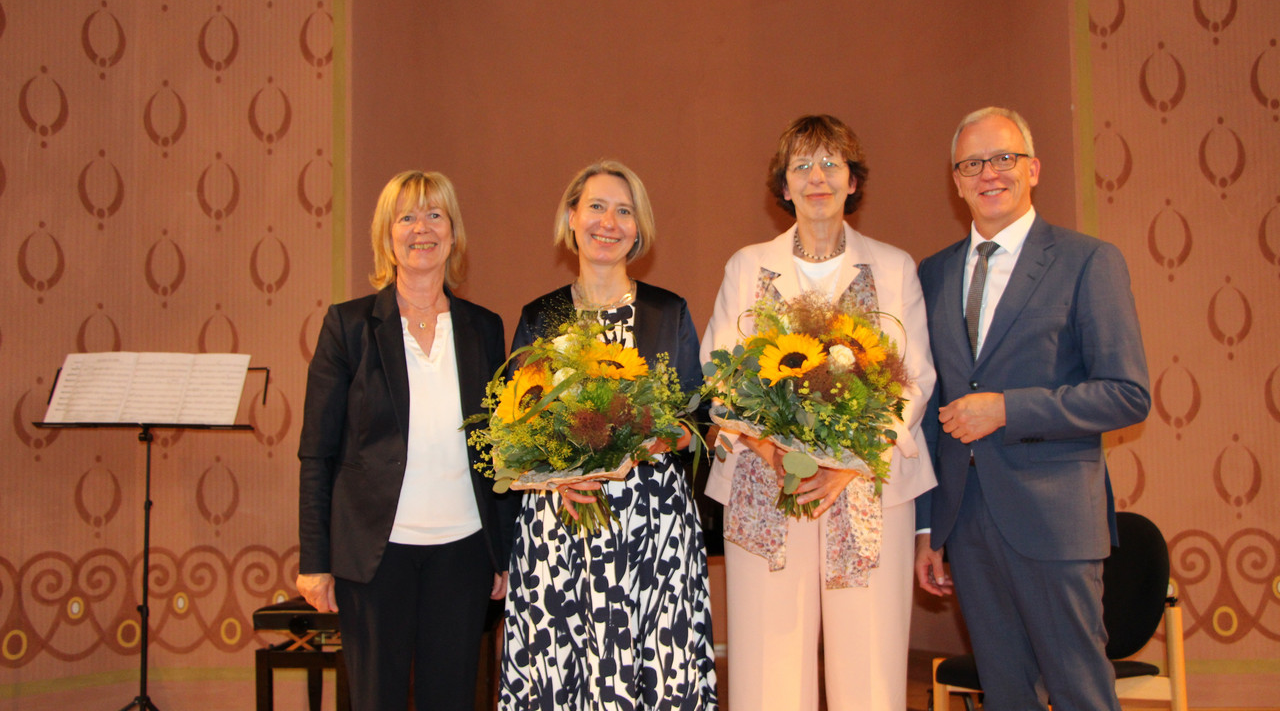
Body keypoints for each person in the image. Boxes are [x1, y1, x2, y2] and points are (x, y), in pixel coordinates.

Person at [914, 107, 1151, 711]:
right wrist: (927, 528)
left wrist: (1007, 410)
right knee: (1005, 693)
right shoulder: (933, 275)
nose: (988, 173)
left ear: (1034, 169)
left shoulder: (1088, 261)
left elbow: (1127, 392)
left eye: (1003, 159)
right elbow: (923, 410)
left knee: (1079, 692)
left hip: (1055, 521)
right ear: (957, 181)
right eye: (972, 163)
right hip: (966, 523)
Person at [701, 115, 936, 711]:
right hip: (765, 481)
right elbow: (719, 372)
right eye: (802, 166)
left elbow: (916, 379)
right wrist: (769, 450)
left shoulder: (894, 267)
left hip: (869, 486)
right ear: (782, 186)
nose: (817, 178)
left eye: (831, 164)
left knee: (872, 668)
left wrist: (850, 465)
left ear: (854, 181)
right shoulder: (747, 266)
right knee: (767, 667)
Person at [499, 160, 718, 710]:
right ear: (571, 217)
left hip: (653, 533)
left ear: (638, 229)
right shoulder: (541, 316)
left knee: (658, 675)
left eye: (624, 211)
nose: (609, 221)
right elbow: (513, 429)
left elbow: (700, 422)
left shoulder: (668, 314)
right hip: (561, 526)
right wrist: (554, 479)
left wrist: (654, 438)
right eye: (596, 206)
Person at [296, 171, 514, 711]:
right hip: (374, 556)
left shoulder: (484, 328)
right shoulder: (347, 327)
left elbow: (502, 446)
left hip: (463, 551)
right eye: (407, 217)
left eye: (435, 215)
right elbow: (316, 452)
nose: (423, 228)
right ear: (386, 236)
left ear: (454, 233)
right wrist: (314, 560)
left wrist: (503, 552)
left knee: (452, 699)